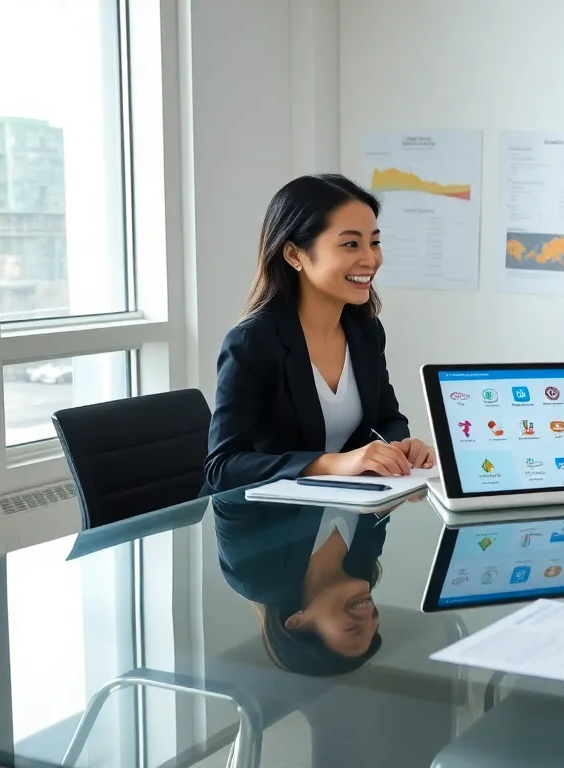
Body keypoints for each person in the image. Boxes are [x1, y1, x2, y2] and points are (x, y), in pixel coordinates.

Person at [204, 174, 435, 493]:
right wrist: (332, 463)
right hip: (265, 527)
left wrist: (399, 447)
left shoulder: (365, 330)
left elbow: (387, 420)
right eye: (350, 244)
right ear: (294, 255)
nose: (370, 259)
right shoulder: (252, 341)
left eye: (375, 242)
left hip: (348, 513)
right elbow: (223, 466)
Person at [214, 497, 394, 675]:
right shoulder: (365, 553)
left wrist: (319, 467)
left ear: (298, 622)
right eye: (374, 627)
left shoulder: (255, 575)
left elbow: (228, 487)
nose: (370, 618)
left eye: (353, 630)